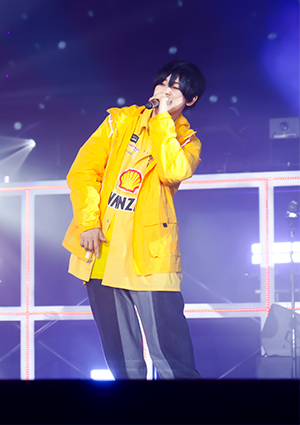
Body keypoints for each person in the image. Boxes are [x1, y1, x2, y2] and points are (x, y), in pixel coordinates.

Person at [62, 59, 206, 379]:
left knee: (173, 359)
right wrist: (89, 222)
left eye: (176, 88)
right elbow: (82, 172)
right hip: (102, 252)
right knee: (123, 364)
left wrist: (162, 120)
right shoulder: (119, 121)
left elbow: (172, 171)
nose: (165, 90)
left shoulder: (187, 142)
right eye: (162, 83)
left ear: (191, 99)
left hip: (150, 257)